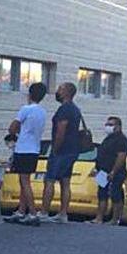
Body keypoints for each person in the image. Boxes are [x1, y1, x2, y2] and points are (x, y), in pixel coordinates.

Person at [39, 82, 84, 224]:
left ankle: (44, 211)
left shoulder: (64, 109)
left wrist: (56, 148)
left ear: (66, 92)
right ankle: (63, 213)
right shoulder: (76, 109)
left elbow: (61, 130)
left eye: (59, 89)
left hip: (62, 150)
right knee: (65, 181)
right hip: (72, 149)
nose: (57, 92)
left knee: (50, 180)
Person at [4, 82, 49, 225]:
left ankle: (33, 213)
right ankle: (21, 211)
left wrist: (15, 133)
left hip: (23, 148)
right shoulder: (43, 112)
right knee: (25, 181)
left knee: (24, 182)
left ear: (29, 94)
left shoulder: (25, 109)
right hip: (34, 149)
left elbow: (12, 128)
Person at [92, 116, 127, 226]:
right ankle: (99, 218)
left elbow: (121, 157)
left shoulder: (122, 140)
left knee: (115, 194)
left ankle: (115, 219)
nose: (108, 127)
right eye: (107, 124)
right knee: (102, 194)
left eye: (111, 125)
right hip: (102, 172)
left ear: (118, 126)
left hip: (115, 173)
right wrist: (97, 168)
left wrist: (113, 171)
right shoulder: (107, 139)